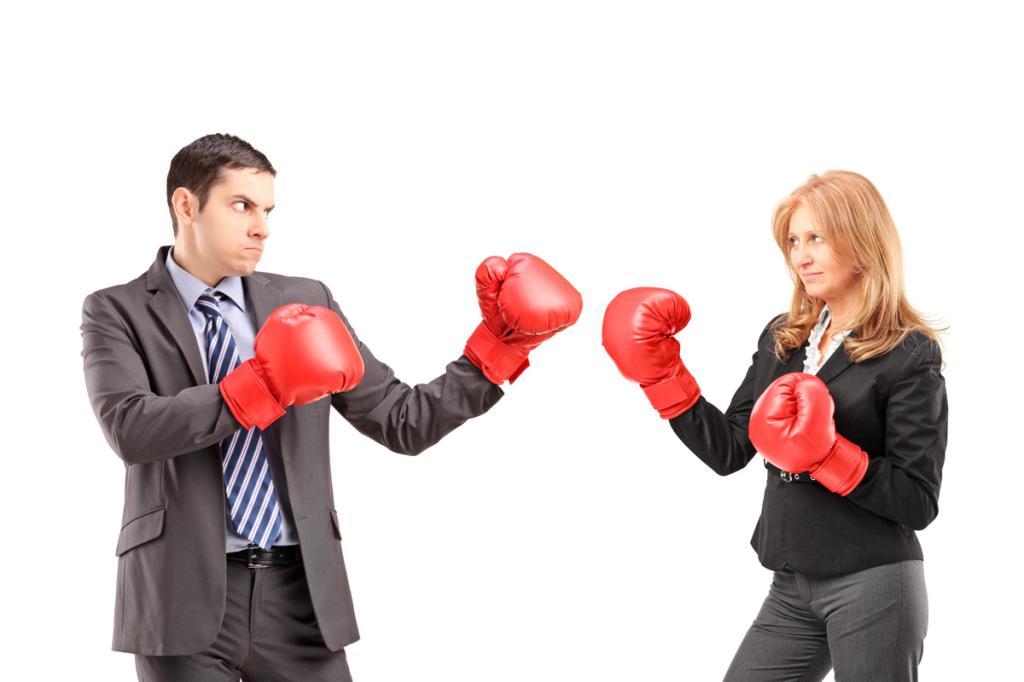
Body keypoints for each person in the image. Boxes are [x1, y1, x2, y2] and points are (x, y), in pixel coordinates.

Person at [81, 133, 583, 682]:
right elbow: (131, 428)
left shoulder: (306, 301)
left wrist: (499, 346)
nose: (261, 228)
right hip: (180, 595)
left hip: (303, 597)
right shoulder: (117, 309)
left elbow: (402, 421)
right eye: (242, 206)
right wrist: (264, 383)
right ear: (185, 204)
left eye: (268, 210)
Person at [601, 170, 947, 681]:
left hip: (873, 583)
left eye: (816, 238)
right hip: (791, 586)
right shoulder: (787, 339)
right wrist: (662, 378)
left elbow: (918, 501)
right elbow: (729, 450)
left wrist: (830, 456)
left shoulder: (908, 352)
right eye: (793, 241)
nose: (800, 256)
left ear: (861, 241)